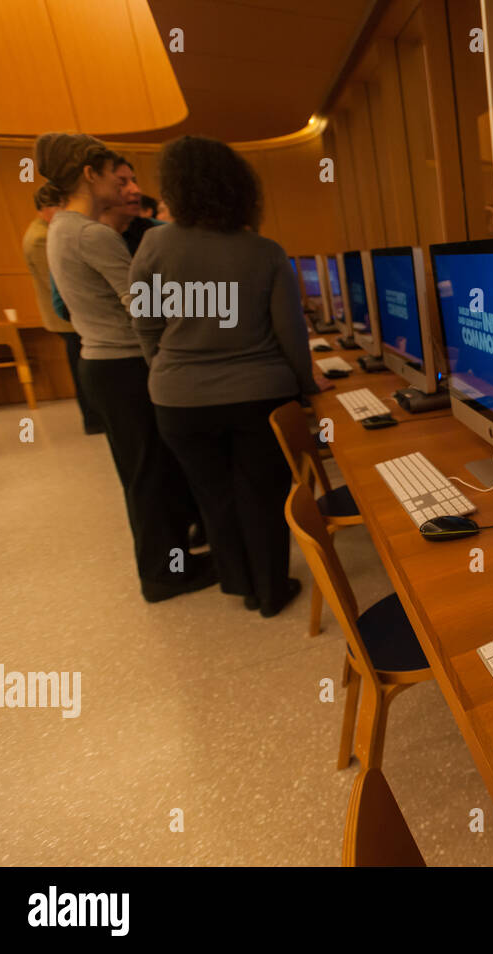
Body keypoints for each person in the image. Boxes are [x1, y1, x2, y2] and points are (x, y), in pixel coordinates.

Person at [130, 135, 317, 617]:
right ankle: (272, 590)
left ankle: (240, 584)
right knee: (263, 495)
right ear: (239, 187)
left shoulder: (153, 243)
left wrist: (167, 370)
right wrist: (306, 387)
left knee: (213, 497)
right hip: (260, 395)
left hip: (178, 400)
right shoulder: (265, 252)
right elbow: (291, 335)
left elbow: (145, 324)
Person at [38, 131, 215, 603]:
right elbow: (141, 306)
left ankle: (172, 561)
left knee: (144, 471)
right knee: (151, 474)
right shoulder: (92, 234)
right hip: (124, 366)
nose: (126, 188)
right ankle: (163, 574)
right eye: (117, 177)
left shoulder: (61, 227)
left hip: (101, 363)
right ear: (89, 175)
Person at [22, 188, 104, 433]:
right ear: (47, 208)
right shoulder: (41, 237)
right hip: (67, 318)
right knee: (81, 369)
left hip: (68, 317)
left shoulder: (44, 232)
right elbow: (59, 281)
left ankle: (94, 417)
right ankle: (93, 419)